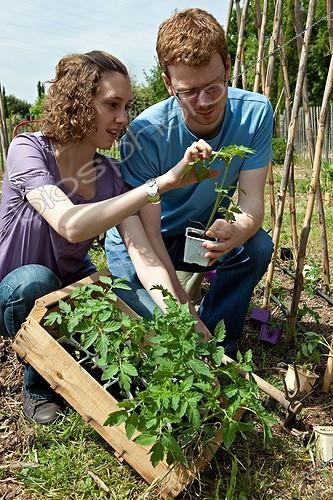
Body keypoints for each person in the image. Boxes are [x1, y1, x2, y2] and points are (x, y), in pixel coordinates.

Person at [0, 50, 215, 424]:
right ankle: (37, 383)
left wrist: (185, 320)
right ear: (78, 103)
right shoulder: (28, 149)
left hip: (72, 292)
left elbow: (144, 256)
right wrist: (160, 184)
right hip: (13, 290)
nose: (123, 119)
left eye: (127, 106)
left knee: (144, 316)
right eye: (112, 105)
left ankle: (93, 364)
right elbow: (69, 223)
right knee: (35, 281)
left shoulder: (110, 175)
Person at [105, 8, 274, 356]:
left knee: (256, 247)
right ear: (168, 84)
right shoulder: (145, 134)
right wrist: (183, 309)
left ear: (227, 65)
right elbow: (146, 238)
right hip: (142, 245)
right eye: (188, 92)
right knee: (157, 329)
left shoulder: (255, 113)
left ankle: (219, 341)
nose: (204, 103)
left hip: (195, 238)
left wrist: (239, 228)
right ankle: (197, 339)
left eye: (214, 87)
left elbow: (252, 201)